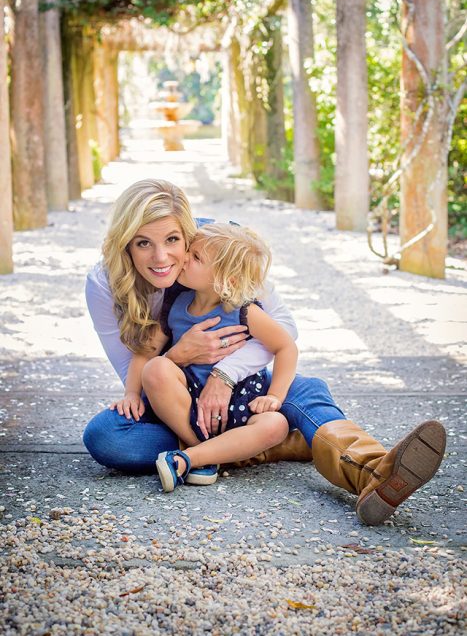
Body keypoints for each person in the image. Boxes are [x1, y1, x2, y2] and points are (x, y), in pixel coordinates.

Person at [83, 179, 446, 525]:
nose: (161, 256)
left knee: (303, 392)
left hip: (242, 389)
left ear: (189, 233)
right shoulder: (104, 282)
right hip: (178, 401)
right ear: (125, 243)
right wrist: (181, 355)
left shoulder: (219, 247)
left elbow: (284, 329)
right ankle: (264, 443)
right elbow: (143, 372)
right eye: (143, 243)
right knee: (106, 436)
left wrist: (226, 375)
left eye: (174, 240)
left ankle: (373, 471)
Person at [113, 222, 296, 492]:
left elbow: (286, 347)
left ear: (225, 279)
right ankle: (208, 452)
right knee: (156, 368)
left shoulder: (244, 311)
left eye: (196, 257)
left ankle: (190, 458)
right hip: (187, 405)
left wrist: (275, 396)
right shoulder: (174, 305)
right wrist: (131, 393)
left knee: (276, 425)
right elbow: (146, 352)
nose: (184, 258)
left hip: (240, 403)